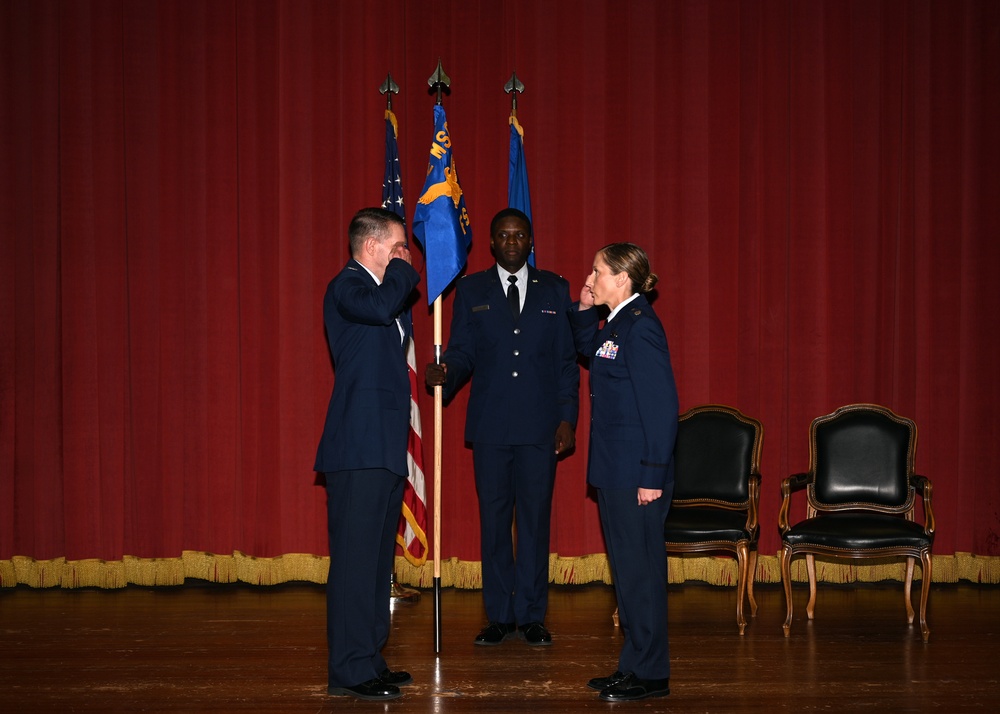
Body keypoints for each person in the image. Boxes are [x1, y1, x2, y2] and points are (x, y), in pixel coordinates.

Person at [425, 208, 579, 646]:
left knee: (533, 524)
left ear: (531, 241)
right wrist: (446, 374)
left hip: (539, 428)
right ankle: (498, 615)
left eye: (520, 235)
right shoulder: (471, 289)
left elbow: (566, 364)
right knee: (494, 524)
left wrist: (567, 419)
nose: (512, 242)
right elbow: (462, 353)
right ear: (491, 243)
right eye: (504, 236)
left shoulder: (556, 289)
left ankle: (531, 614)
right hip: (491, 428)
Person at [314, 207, 419, 701]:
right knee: (355, 562)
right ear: (372, 246)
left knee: (378, 563)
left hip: (383, 446)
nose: (406, 255)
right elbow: (378, 309)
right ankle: (349, 670)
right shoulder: (349, 285)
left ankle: (370, 657)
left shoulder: (386, 297)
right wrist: (402, 272)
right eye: (399, 245)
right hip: (356, 448)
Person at [569, 243, 679, 702]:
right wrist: (582, 306)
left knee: (642, 573)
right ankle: (633, 663)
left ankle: (652, 673)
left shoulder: (642, 329)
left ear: (623, 278)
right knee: (627, 572)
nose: (591, 277)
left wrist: (652, 474)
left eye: (597, 271)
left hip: (638, 474)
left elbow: (662, 408)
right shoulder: (616, 324)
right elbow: (588, 350)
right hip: (615, 470)